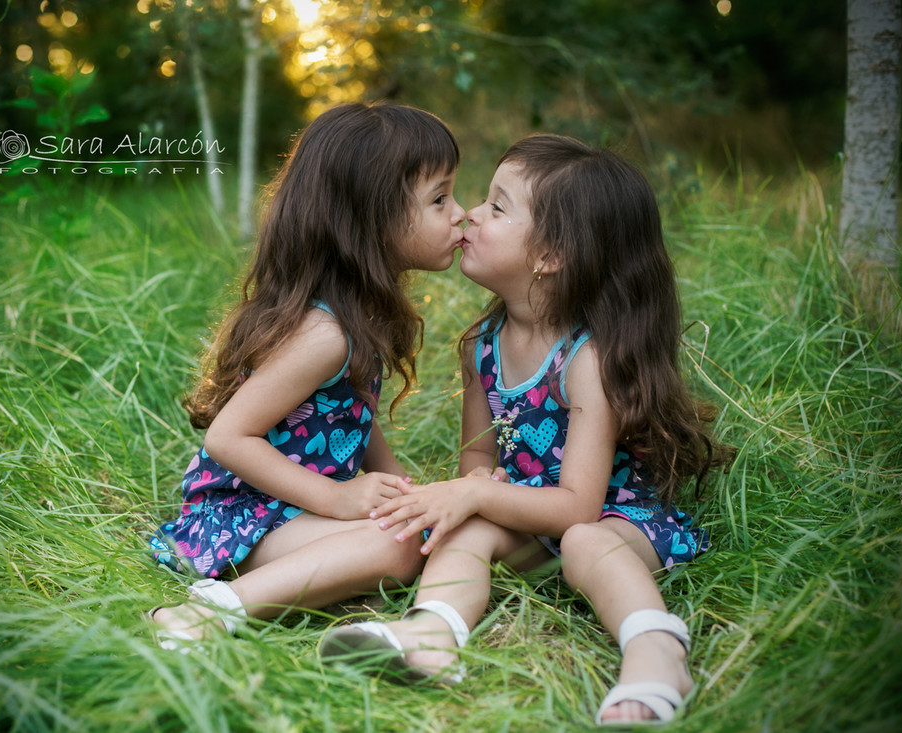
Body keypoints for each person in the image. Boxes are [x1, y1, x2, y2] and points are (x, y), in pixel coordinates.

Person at [319, 134, 733, 726]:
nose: (469, 214)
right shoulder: (483, 348)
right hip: (533, 521)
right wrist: (472, 491)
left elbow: (578, 509)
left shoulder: (587, 359)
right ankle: (431, 638)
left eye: (497, 206)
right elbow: (478, 461)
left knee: (586, 546)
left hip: (617, 520)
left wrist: (477, 492)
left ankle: (655, 649)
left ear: (551, 254)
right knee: (464, 530)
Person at [146, 103, 467, 648]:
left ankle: (324, 580)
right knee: (398, 547)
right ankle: (210, 611)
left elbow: (351, 415)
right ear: (373, 220)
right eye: (440, 199)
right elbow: (228, 437)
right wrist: (338, 501)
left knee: (415, 531)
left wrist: (402, 490)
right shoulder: (325, 334)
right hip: (242, 517)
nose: (460, 212)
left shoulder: (360, 312)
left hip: (290, 507)